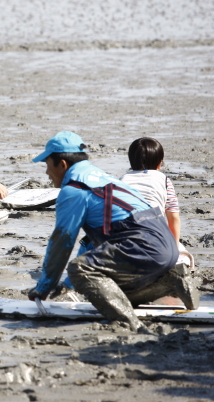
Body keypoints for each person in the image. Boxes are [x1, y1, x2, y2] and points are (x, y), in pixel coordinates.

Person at [28, 131, 199, 331]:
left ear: (62, 164)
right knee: (109, 289)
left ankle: (132, 325)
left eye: (47, 165)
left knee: (80, 269)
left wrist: (44, 287)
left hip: (142, 246)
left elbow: (62, 241)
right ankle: (171, 279)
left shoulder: (75, 189)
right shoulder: (105, 178)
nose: (47, 173)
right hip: (168, 248)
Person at [121, 137, 193, 268]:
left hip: (126, 242)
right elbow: (174, 219)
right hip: (156, 239)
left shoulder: (122, 180)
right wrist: (174, 249)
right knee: (183, 254)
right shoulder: (164, 180)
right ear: (159, 164)